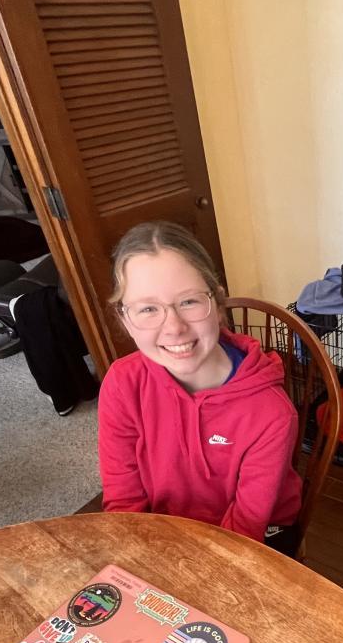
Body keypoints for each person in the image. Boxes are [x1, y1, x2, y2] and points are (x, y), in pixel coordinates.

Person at [97, 222, 302, 553]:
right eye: (148, 309)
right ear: (124, 320)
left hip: (252, 533)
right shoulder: (122, 384)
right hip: (166, 528)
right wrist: (140, 555)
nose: (174, 327)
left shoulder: (271, 412)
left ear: (217, 305)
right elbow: (123, 499)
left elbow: (246, 525)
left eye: (189, 301)